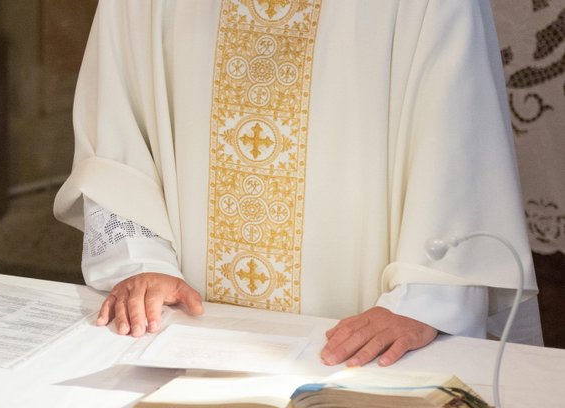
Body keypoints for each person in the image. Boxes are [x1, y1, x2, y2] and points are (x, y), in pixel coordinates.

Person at [54, 0, 542, 366]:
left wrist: (427, 299)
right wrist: (140, 259)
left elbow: (460, 145)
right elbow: (115, 125)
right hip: (184, 331)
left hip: (365, 336)